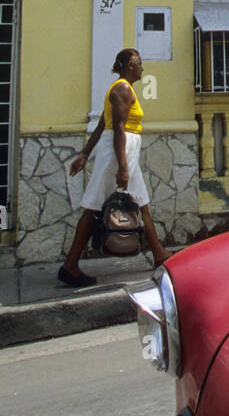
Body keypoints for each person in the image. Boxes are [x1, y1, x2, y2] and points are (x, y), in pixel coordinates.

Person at [58, 48, 169, 287]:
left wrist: (85, 154)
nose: (142, 68)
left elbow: (101, 125)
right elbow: (117, 129)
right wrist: (122, 167)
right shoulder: (123, 89)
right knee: (94, 206)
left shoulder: (121, 88)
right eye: (139, 63)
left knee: (141, 202)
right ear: (130, 66)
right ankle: (70, 266)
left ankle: (160, 255)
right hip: (119, 152)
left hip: (122, 151)